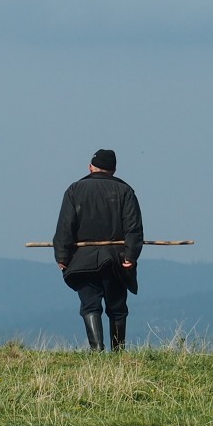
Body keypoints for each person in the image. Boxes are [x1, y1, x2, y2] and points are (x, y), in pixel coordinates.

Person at [53, 149, 144, 352]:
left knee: (90, 305)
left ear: (90, 167)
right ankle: (118, 352)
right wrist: (130, 256)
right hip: (116, 260)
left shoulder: (75, 190)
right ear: (113, 169)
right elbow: (133, 228)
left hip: (82, 260)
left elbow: (65, 227)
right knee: (117, 308)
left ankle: (96, 350)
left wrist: (62, 256)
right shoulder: (125, 191)